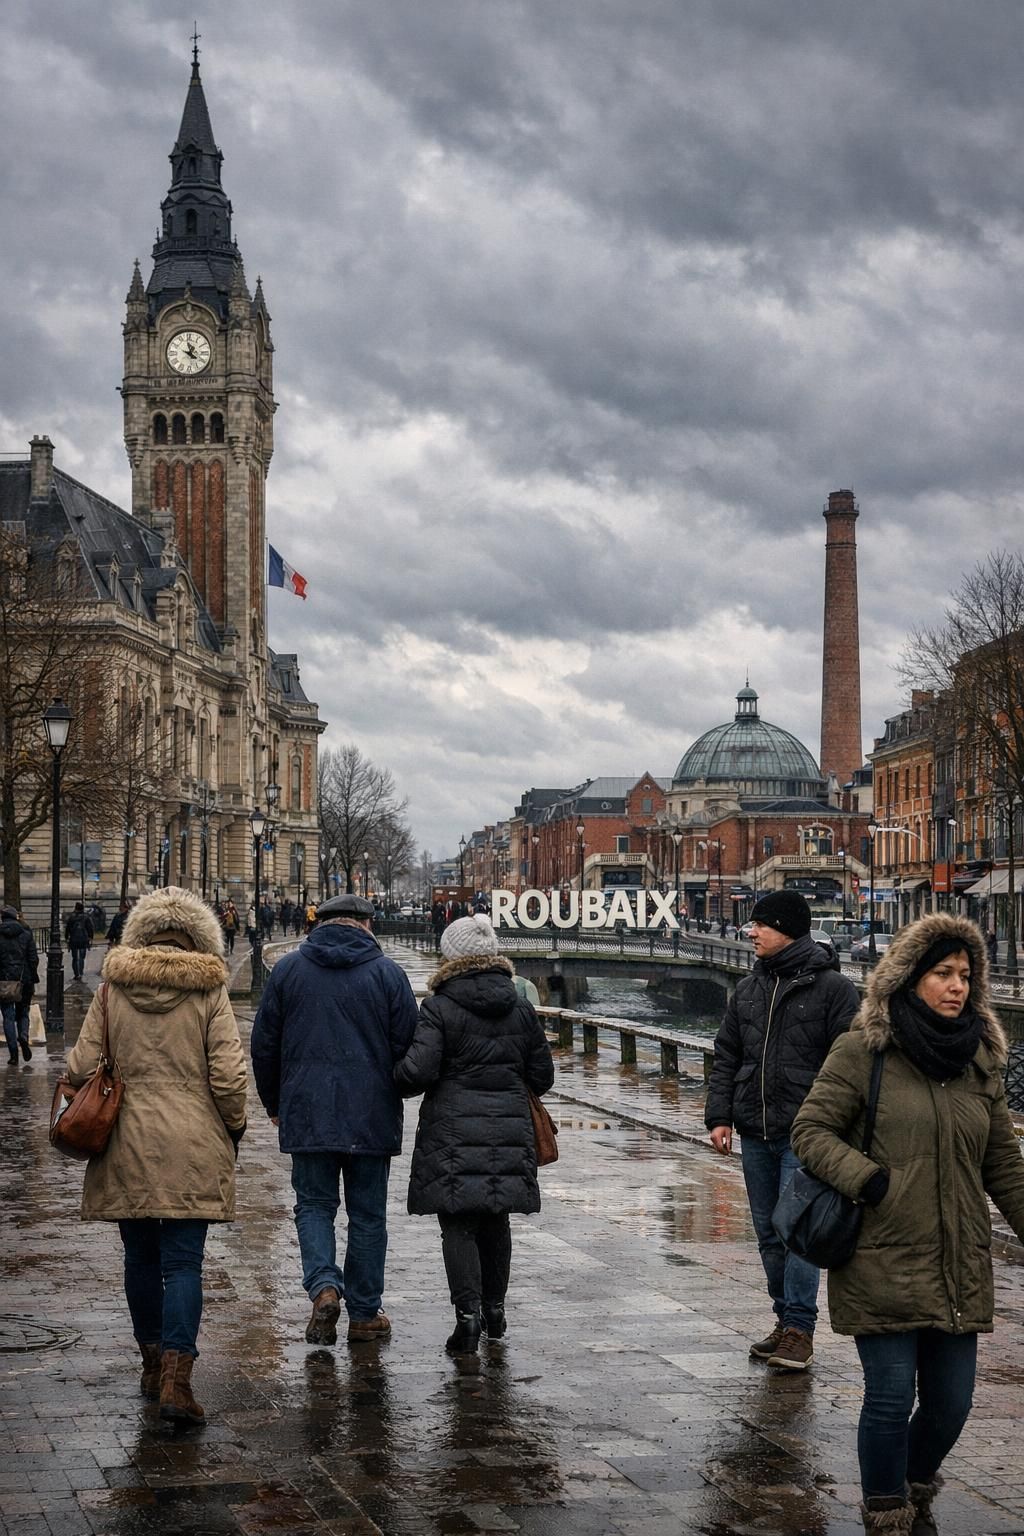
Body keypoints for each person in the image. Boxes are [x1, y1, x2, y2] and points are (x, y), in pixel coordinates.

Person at [791, 914, 1024, 1534]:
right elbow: (811, 1131)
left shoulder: (979, 1060)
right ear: (909, 978)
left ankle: (913, 1482)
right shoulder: (864, 1050)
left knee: (951, 1405)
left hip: (957, 1259)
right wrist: (868, 1179)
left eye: (966, 975)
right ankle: (886, 1507)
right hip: (881, 1253)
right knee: (891, 1398)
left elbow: (1003, 1163)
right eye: (943, 973)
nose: (957, 986)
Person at [65, 886, 247, 1424]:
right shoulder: (209, 991)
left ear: (139, 935)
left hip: (125, 1142)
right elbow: (229, 1077)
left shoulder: (111, 991)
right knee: (183, 1262)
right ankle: (177, 1380)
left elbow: (80, 1068)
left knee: (140, 1258)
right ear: (198, 937)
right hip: (192, 1143)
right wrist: (234, 1127)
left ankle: (150, 1364)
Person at [250, 893, 419, 1344]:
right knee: (367, 1215)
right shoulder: (388, 974)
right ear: (367, 924)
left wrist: (274, 1103)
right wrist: (395, 1092)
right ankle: (364, 1313)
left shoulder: (288, 971)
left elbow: (264, 1045)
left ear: (318, 924)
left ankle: (324, 1286)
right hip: (371, 1114)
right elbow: (410, 1047)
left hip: (307, 1109)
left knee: (313, 1205)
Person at [705, 889, 860, 1371]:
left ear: (786, 929)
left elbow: (849, 1064)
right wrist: (719, 1116)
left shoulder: (834, 990)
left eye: (760, 924)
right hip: (755, 1129)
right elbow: (727, 1055)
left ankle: (799, 1329)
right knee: (769, 1233)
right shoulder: (749, 988)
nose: (751, 932)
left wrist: (835, 1125)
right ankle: (784, 1319)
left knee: (798, 1232)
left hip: (807, 1135)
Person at [394, 913, 555, 1354]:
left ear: (450, 956)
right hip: (509, 1130)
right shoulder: (520, 1007)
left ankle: (467, 1319)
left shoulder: (439, 1008)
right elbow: (542, 1076)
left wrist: (391, 1075)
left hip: (452, 1133)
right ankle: (495, 1310)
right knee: (496, 1219)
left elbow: (417, 1072)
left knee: (459, 1225)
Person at [0, 906, 34, 1063]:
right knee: (23, 1011)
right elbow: (33, 959)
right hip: (24, 979)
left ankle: (13, 1054)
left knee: (8, 1016)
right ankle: (24, 1036)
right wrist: (31, 976)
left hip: (4, 981)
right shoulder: (26, 935)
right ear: (16, 918)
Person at [64, 902, 94, 982]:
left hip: (74, 939)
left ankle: (76, 974)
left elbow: (68, 928)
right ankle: (80, 972)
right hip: (83, 939)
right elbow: (90, 928)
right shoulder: (86, 917)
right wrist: (90, 937)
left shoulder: (72, 917)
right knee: (81, 957)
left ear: (75, 908)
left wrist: (66, 937)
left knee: (74, 958)